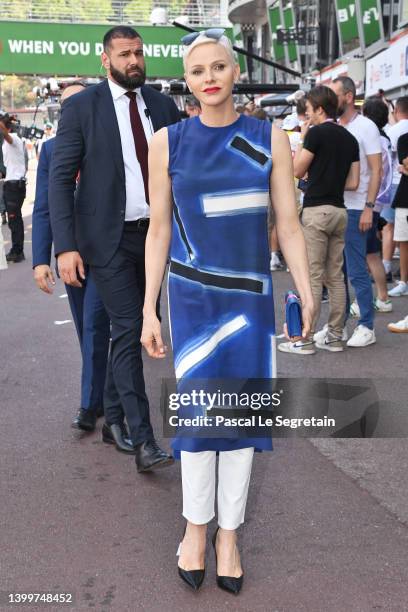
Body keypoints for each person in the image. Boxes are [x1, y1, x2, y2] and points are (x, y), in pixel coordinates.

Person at [141, 30, 313, 593]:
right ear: (187, 81)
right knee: (198, 417)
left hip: (250, 299)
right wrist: (149, 308)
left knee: (242, 421)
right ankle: (195, 529)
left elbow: (288, 224)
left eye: (219, 67)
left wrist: (309, 290)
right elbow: (159, 230)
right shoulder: (168, 141)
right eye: (198, 71)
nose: (209, 77)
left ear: (236, 72)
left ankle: (229, 535)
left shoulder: (270, 139)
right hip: (192, 297)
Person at [48, 25, 180, 473]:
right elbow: (60, 179)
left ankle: (112, 418)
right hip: (106, 240)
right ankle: (145, 441)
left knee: (137, 325)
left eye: (139, 53)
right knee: (129, 328)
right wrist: (65, 247)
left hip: (154, 238)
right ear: (105, 60)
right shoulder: (83, 107)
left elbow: (184, 168)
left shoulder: (162, 105)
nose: (134, 61)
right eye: (125, 54)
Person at [32, 84, 132, 451]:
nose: (70, 107)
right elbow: (43, 206)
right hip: (71, 257)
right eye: (64, 103)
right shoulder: (51, 150)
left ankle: (92, 405)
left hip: (110, 253)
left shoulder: (112, 142)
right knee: (86, 330)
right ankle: (103, 395)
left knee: (94, 326)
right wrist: (42, 258)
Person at [288, 85, 360, 354]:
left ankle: (304, 338)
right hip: (340, 211)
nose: (306, 116)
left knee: (313, 276)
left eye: (308, 110)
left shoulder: (316, 133)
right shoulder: (349, 138)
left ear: (319, 109)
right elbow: (353, 182)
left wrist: (304, 136)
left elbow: (296, 170)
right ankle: (335, 336)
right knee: (336, 277)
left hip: (317, 209)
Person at [330, 77, 382, 348]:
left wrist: (369, 208)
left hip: (357, 207)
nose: (331, 100)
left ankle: (367, 326)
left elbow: (377, 170)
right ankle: (339, 327)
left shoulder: (366, 126)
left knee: (357, 270)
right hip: (338, 206)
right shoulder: (338, 126)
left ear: (349, 96)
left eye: (336, 95)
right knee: (338, 272)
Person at [348, 96, 393, 315]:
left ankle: (373, 299)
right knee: (370, 253)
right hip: (375, 202)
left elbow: (377, 172)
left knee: (364, 255)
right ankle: (382, 296)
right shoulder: (383, 138)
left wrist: (369, 204)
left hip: (368, 202)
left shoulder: (375, 138)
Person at [383, 97, 408, 288]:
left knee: (391, 229)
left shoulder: (395, 132)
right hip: (400, 188)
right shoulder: (400, 135)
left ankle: (388, 267)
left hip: (396, 186)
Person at [0, 114, 27, 263]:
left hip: (15, 185)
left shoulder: (14, 139)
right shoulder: (6, 144)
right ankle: (17, 250)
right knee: (13, 220)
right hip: (11, 183)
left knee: (14, 219)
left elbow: (5, 133)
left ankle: (17, 251)